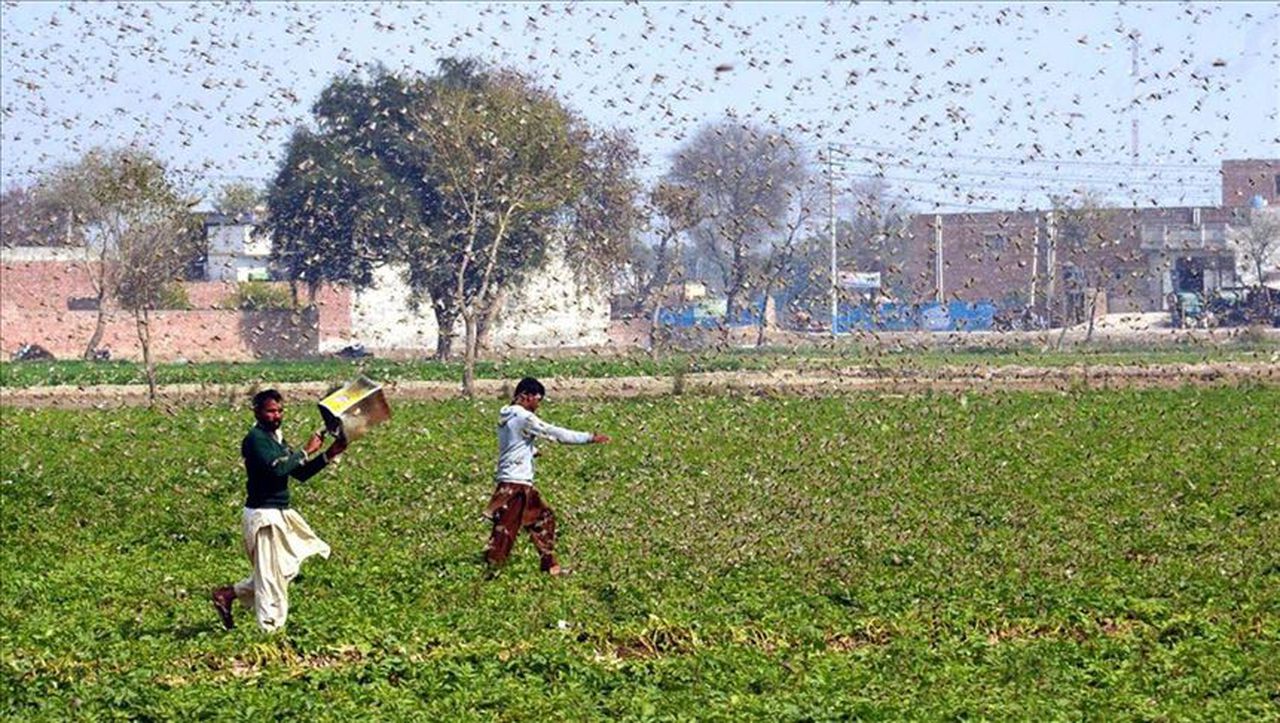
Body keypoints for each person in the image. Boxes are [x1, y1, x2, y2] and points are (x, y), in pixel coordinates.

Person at [211, 389, 348, 631]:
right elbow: (277, 470)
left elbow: (299, 473)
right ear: (257, 412)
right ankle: (270, 632)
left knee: (280, 571)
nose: (276, 415)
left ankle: (227, 594)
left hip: (279, 512)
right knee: (271, 579)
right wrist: (305, 451)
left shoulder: (277, 440)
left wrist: (329, 454)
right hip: (263, 516)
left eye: (280, 410)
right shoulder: (255, 440)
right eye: (271, 411)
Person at [483, 377, 609, 575]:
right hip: (515, 484)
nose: (538, 405)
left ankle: (549, 566)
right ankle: (489, 574)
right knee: (505, 531)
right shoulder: (523, 417)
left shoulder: (507, 417)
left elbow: (512, 445)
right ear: (525, 396)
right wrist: (588, 437)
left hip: (519, 482)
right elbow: (553, 432)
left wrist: (530, 452)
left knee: (544, 518)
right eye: (537, 400)